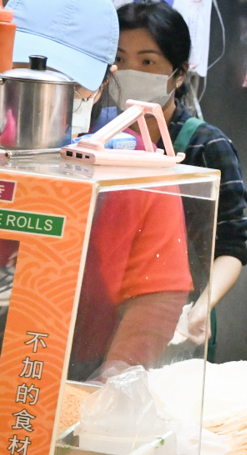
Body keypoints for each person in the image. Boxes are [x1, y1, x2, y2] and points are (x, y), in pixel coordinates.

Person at [6, 0, 194, 380]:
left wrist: (107, 393)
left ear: (104, 84)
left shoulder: (133, 166)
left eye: (71, 83)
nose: (44, 94)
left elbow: (157, 293)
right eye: (22, 72)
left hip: (72, 370)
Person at [114, 0, 247, 352]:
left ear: (178, 74)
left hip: (177, 323)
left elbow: (232, 246)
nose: (130, 72)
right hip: (108, 317)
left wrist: (201, 309)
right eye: (120, 60)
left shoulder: (207, 144)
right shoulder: (101, 140)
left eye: (147, 62)